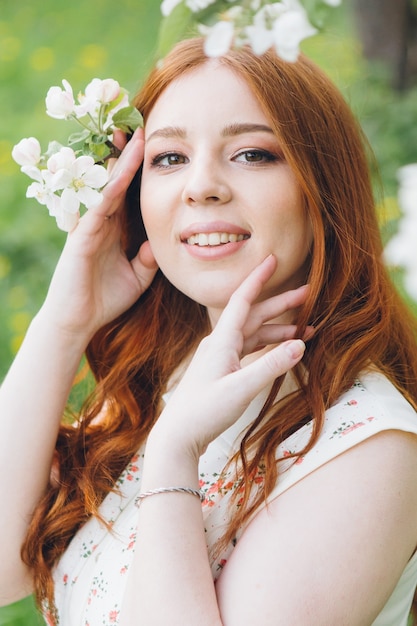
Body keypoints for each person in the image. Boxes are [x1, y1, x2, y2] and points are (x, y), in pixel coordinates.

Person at [1, 36, 417, 626]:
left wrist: (174, 456)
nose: (201, 186)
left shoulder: (369, 447)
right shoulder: (167, 376)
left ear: (320, 188)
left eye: (251, 154)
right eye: (169, 159)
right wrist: (65, 321)